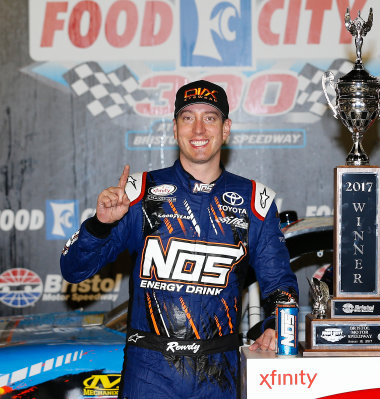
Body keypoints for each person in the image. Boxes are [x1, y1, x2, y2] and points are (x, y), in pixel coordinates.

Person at [60, 80, 299, 399]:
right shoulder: (139, 193)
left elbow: (280, 282)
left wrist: (275, 325)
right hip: (149, 374)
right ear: (175, 128)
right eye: (188, 117)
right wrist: (100, 224)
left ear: (226, 129)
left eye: (210, 117)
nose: (198, 128)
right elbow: (74, 270)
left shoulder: (254, 200)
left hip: (219, 376)